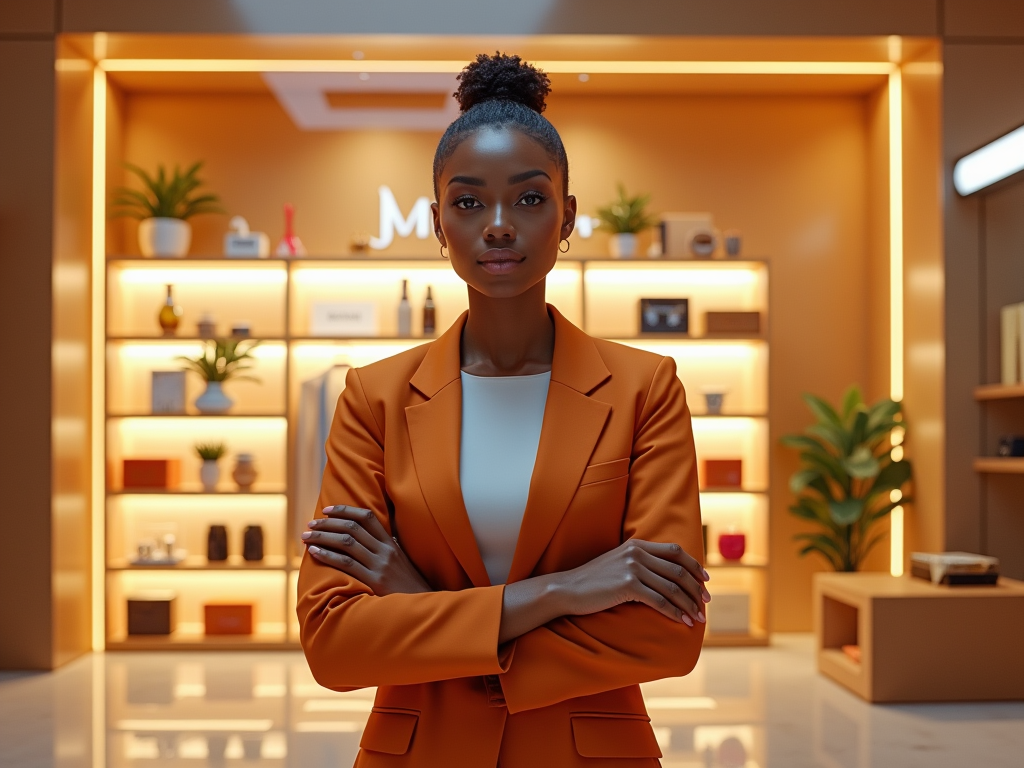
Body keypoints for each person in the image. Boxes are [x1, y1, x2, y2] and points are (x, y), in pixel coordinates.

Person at [296, 52, 710, 767]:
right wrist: (568, 590)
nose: (497, 225)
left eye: (527, 199)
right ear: (437, 222)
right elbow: (334, 642)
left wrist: (414, 599)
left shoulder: (645, 389)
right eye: (467, 202)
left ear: (567, 216)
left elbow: (668, 632)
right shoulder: (374, 397)